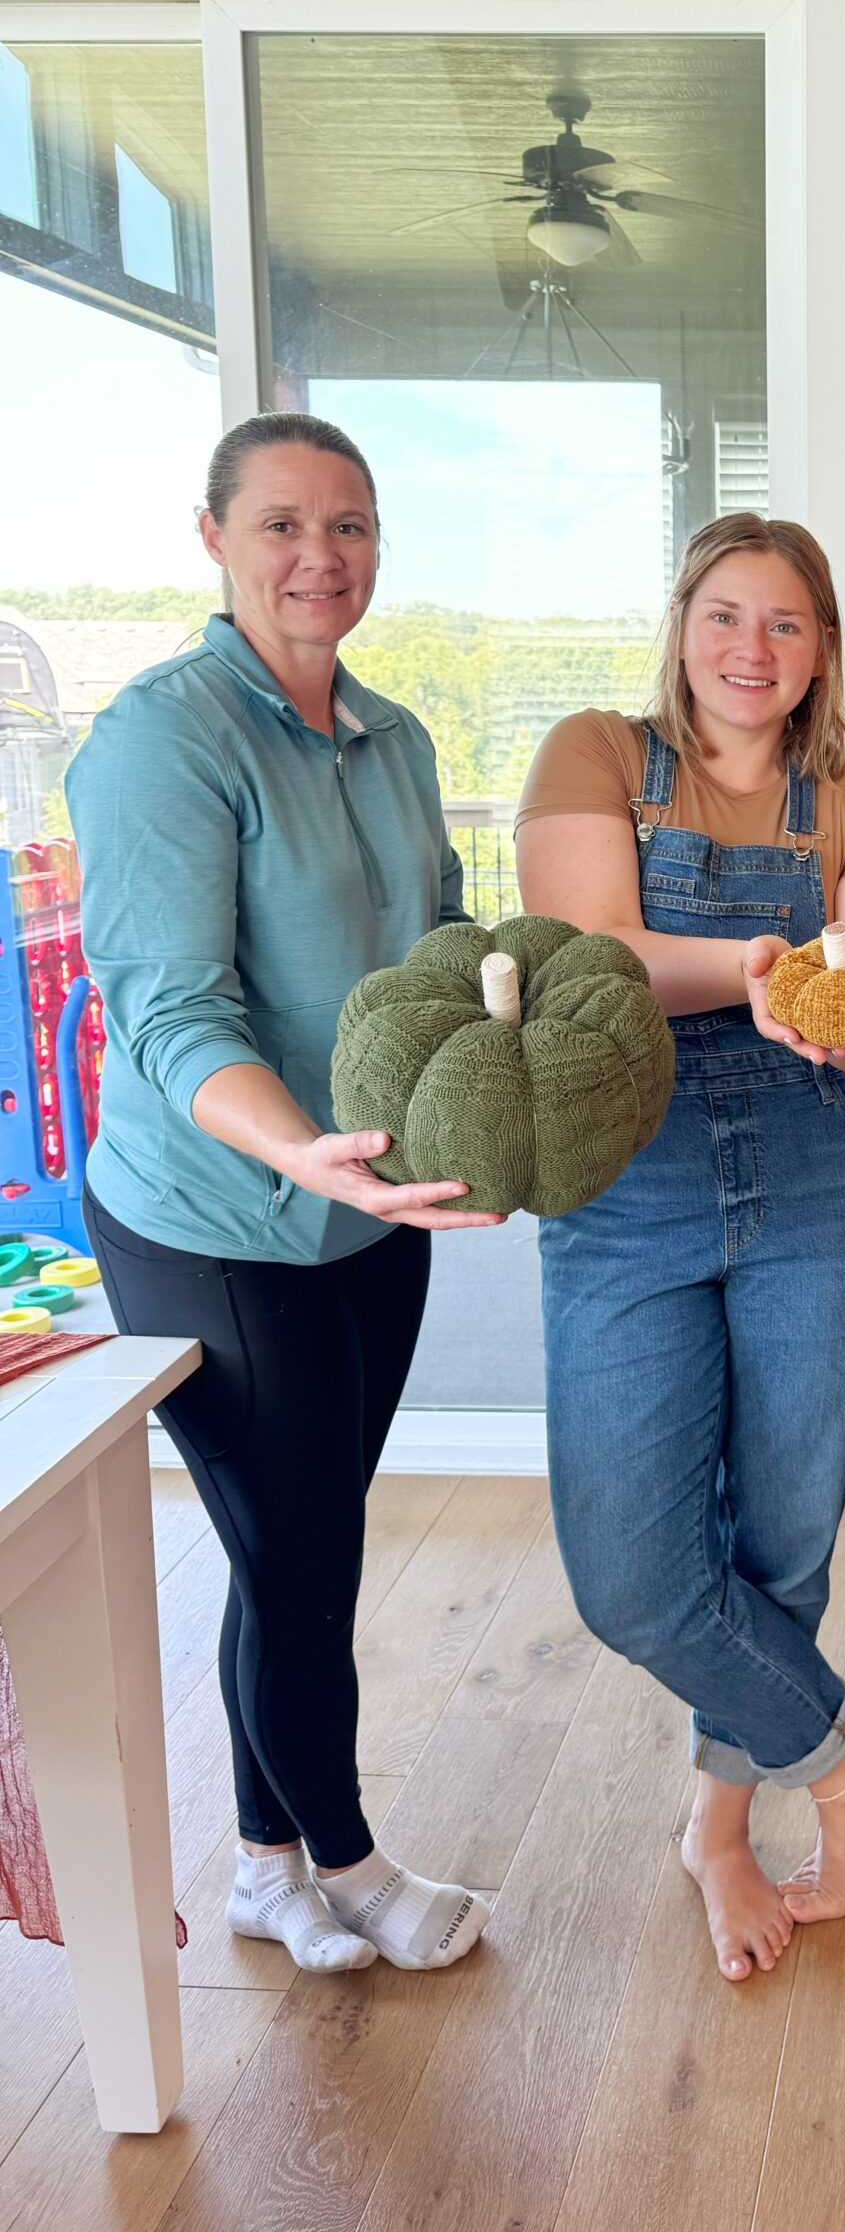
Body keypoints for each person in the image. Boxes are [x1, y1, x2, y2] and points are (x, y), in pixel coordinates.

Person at [69, 412, 500, 1977]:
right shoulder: (159, 740)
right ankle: (353, 1865)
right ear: (214, 539)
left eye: (352, 527)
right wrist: (296, 1149)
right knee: (301, 1556)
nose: (322, 558)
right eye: (282, 526)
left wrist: (507, 1093)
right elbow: (171, 1012)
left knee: (300, 1548)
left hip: (362, 1215)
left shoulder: (394, 737)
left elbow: (441, 945)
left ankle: (264, 1867)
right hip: (214, 1221)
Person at [516, 512, 845, 1985]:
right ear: (682, 624)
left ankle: (720, 1828)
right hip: (628, 1170)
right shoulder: (592, 756)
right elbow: (589, 956)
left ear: (823, 652)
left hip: (831, 1167)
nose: (753, 651)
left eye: (787, 625)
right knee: (630, 1568)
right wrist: (765, 970)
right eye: (726, 617)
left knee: (781, 1540)